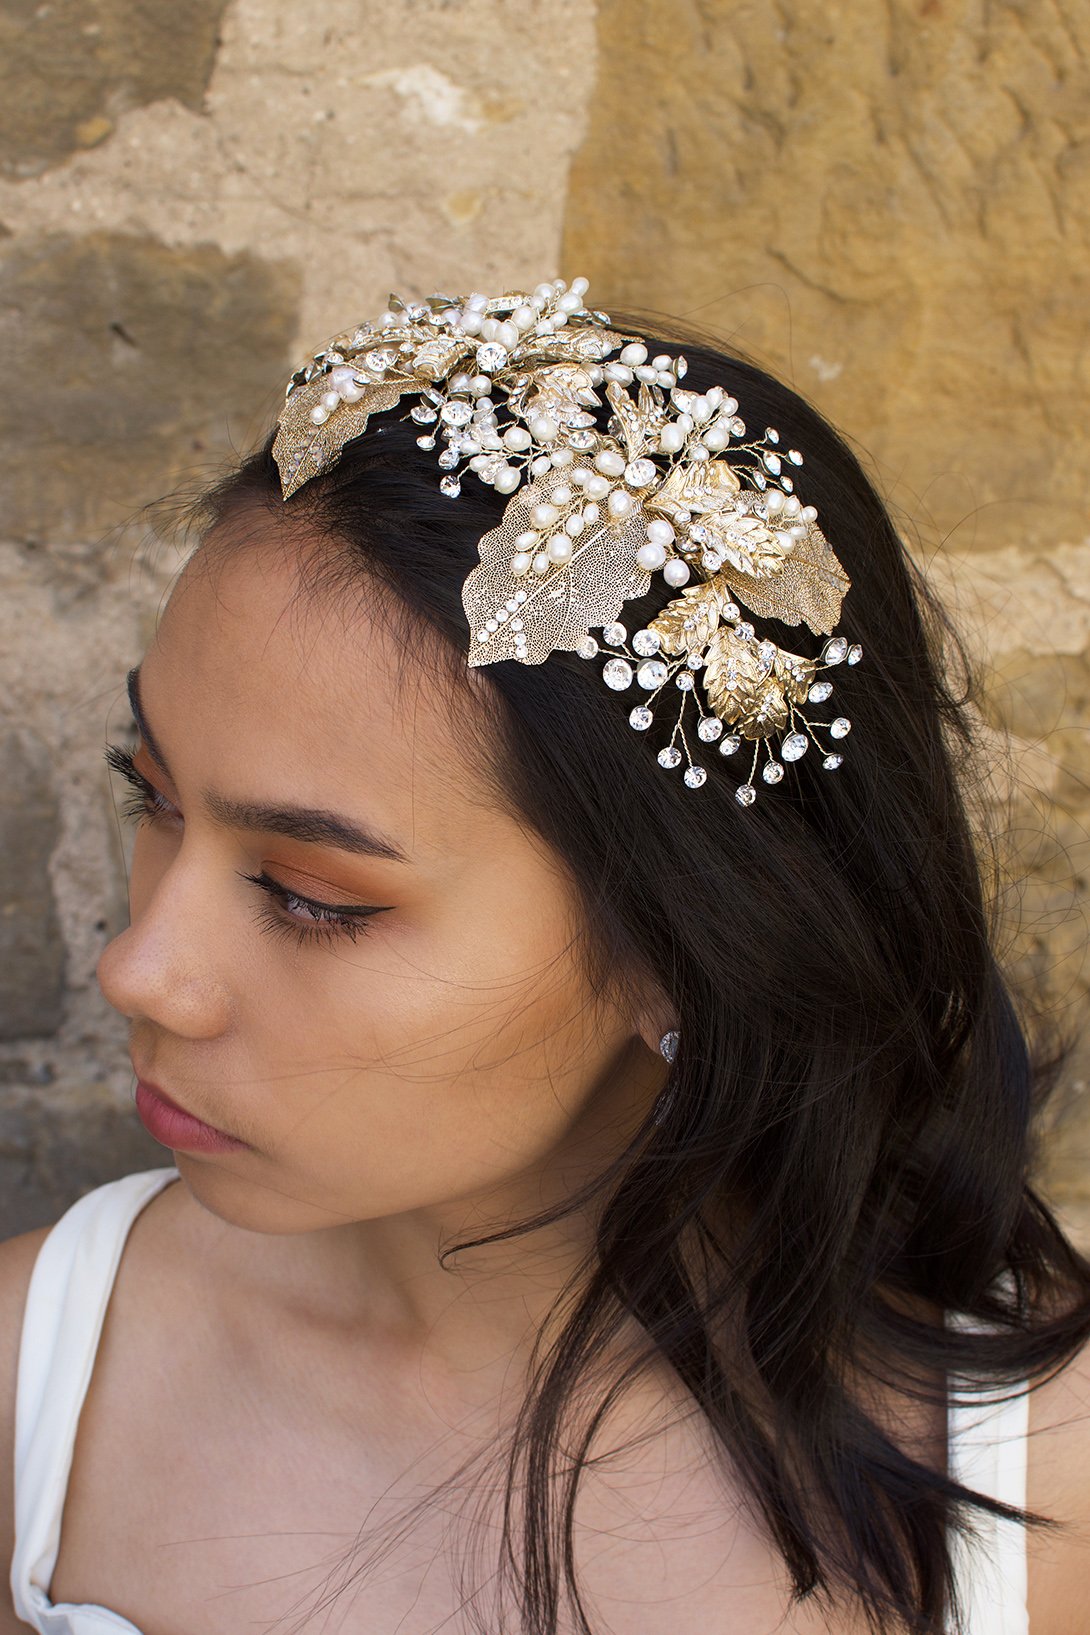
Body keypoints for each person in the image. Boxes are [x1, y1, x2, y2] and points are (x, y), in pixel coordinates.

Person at [2, 276, 1090, 1635]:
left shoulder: (1038, 1473)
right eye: (150, 794)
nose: (140, 969)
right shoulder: (38, 1388)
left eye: (309, 895)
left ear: (688, 945)